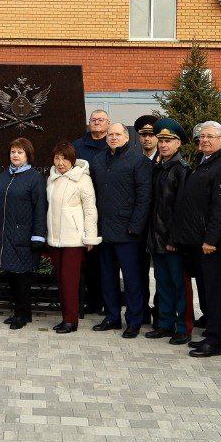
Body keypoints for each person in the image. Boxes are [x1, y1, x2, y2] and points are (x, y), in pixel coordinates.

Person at [174, 121, 221, 357]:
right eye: (202, 136)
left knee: (214, 289)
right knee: (206, 288)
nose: (205, 140)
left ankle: (215, 339)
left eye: (211, 136)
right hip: (197, 240)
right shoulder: (203, 162)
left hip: (211, 244)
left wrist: (211, 239)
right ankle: (212, 334)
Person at [89, 122, 152, 338]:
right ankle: (112, 317)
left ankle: (134, 321)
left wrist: (136, 227)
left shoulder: (138, 161)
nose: (113, 137)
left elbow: (144, 197)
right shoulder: (98, 160)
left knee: (132, 279)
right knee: (108, 277)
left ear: (127, 136)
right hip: (105, 230)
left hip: (129, 233)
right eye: (110, 134)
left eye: (118, 134)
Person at [0, 137, 47, 330]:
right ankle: (20, 311)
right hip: (5, 235)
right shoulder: (3, 176)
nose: (15, 155)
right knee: (12, 277)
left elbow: (40, 208)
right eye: (13, 152)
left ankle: (22, 315)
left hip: (23, 236)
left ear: (28, 155)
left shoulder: (35, 178)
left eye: (20, 152)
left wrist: (38, 235)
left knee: (22, 278)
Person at [45, 140, 99, 333]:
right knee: (60, 279)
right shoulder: (51, 178)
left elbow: (90, 209)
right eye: (57, 158)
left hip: (73, 239)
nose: (60, 162)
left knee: (70, 280)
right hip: (55, 238)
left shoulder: (82, 179)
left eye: (65, 158)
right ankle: (65, 317)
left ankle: (71, 320)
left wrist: (90, 237)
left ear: (72, 160)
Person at [143, 118, 188, 345]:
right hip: (156, 238)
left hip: (172, 241)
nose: (163, 144)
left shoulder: (181, 170)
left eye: (168, 140)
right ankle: (165, 324)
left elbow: (181, 210)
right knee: (163, 284)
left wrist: (174, 239)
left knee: (179, 286)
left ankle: (183, 327)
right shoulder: (159, 168)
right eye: (161, 140)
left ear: (178, 143)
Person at [74, 109, 110, 315]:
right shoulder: (77, 146)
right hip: (82, 209)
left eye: (101, 120)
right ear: (89, 122)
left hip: (106, 210)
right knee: (86, 260)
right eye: (94, 119)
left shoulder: (113, 145)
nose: (97, 123)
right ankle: (86, 302)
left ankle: (103, 301)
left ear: (108, 123)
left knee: (104, 261)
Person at [134, 114, 160, 325]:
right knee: (140, 271)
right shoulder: (135, 160)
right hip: (141, 227)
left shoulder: (165, 159)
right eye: (143, 135)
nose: (147, 139)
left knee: (161, 274)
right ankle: (142, 311)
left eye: (151, 134)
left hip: (159, 226)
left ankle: (160, 313)